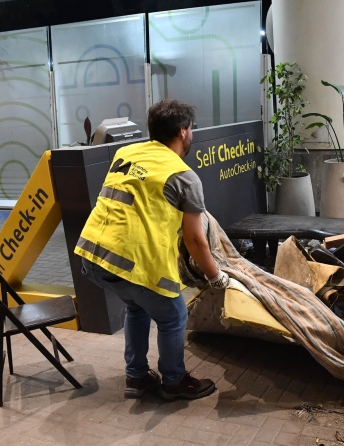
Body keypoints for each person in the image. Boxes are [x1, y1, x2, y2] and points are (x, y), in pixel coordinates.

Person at [75, 99, 229, 400]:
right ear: (183, 131)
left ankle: (137, 377)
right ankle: (174, 381)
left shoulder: (125, 153)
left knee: (136, 306)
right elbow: (195, 240)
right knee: (173, 315)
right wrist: (215, 277)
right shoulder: (184, 176)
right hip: (134, 263)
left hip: (93, 255)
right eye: (191, 130)